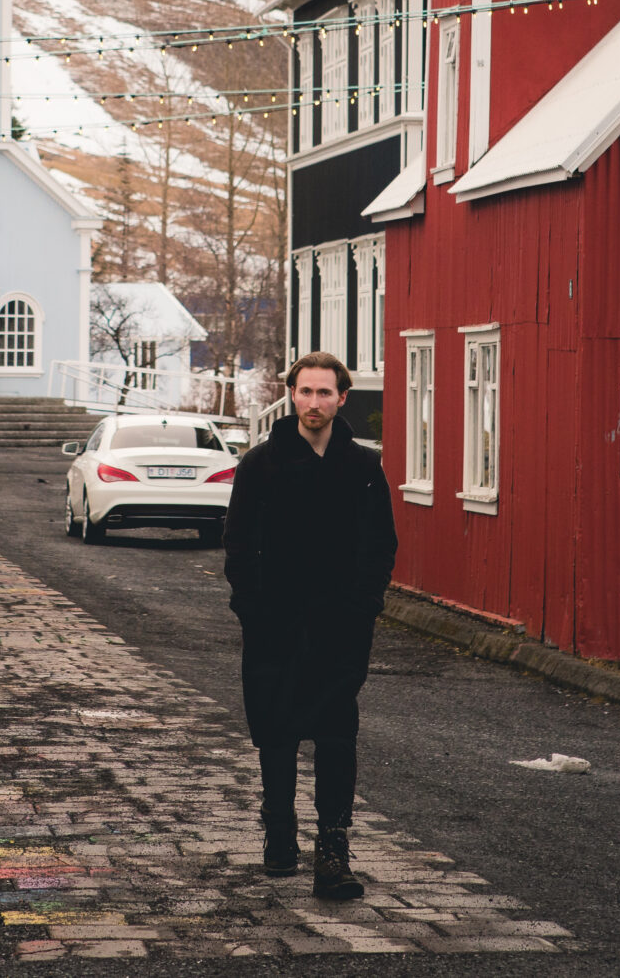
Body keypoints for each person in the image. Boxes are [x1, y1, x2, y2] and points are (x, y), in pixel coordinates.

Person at [221, 351, 398, 900]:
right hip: (274, 623)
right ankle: (278, 834)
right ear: (291, 395)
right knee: (275, 728)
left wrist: (364, 606)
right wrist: (252, 606)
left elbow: (380, 546)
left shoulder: (364, 468)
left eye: (325, 393)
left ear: (343, 398)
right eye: (305, 392)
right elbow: (238, 545)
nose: (314, 402)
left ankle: (333, 850)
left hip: (340, 627)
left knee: (336, 733)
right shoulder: (261, 464)